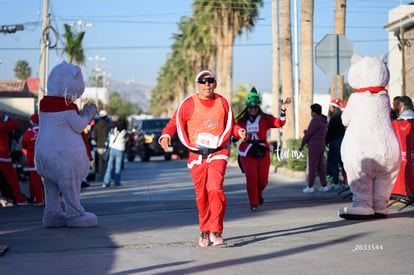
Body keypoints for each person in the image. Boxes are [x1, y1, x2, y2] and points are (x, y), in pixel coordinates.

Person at [159, 69, 247, 247]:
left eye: (210, 80)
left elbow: (232, 124)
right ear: (197, 84)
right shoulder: (188, 104)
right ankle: (204, 230)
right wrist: (166, 136)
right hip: (197, 156)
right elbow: (173, 122)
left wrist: (239, 131)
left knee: (215, 189)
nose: (207, 84)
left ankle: (216, 230)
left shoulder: (222, 102)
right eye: (203, 81)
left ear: (215, 83)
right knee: (202, 195)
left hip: (218, 153)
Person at [235, 87, 291, 211]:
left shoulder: (265, 119)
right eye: (251, 107)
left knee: (263, 180)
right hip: (247, 152)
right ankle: (253, 202)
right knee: (251, 178)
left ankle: (259, 194)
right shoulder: (241, 121)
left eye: (255, 107)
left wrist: (283, 110)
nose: (253, 109)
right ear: (247, 108)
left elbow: (280, 123)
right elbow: (235, 133)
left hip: (262, 151)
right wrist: (235, 137)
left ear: (258, 107)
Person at [299, 104, 329, 193]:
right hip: (321, 145)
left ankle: (310, 186)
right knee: (320, 167)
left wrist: (302, 144)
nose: (311, 113)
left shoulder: (315, 120)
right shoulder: (323, 120)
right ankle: (324, 185)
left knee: (312, 166)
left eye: (311, 111)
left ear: (314, 112)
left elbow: (309, 133)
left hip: (314, 146)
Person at [0, 111, 28, 205]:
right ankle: (19, 199)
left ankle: (5, 197)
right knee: (12, 178)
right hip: (3, 156)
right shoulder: (2, 127)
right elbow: (15, 124)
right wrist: (6, 117)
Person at [21, 113, 44, 204]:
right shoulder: (45, 131)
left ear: (31, 123)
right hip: (44, 159)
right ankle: (48, 200)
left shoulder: (28, 133)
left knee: (35, 181)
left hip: (32, 160)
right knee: (45, 181)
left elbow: (24, 146)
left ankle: (39, 200)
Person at [325, 98, 346, 190]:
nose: (329, 109)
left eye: (330, 107)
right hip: (342, 142)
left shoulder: (334, 119)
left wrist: (326, 141)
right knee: (342, 163)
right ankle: (346, 183)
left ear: (334, 108)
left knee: (332, 163)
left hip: (335, 142)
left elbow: (330, 132)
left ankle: (335, 182)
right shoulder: (342, 117)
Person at [103, 117, 127, 188]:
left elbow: (108, 139)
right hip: (119, 150)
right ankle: (117, 182)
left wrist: (105, 148)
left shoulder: (112, 131)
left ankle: (106, 182)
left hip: (112, 149)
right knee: (118, 167)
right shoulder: (124, 133)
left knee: (109, 166)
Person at [93, 110, 109, 180]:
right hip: (108, 145)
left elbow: (95, 136)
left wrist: (98, 142)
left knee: (100, 160)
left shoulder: (97, 126)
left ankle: (100, 174)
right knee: (107, 160)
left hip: (100, 145)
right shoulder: (109, 125)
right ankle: (107, 175)